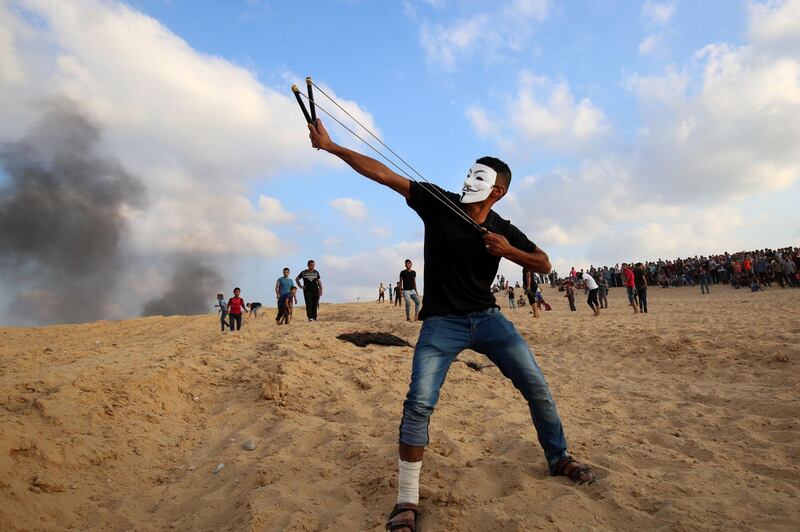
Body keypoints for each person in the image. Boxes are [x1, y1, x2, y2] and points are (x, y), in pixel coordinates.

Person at [308, 119, 594, 532]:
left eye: (480, 177)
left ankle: (559, 458)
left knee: (537, 387)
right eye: (468, 173)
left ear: (498, 191)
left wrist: (508, 250)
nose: (468, 180)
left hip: (489, 318)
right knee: (419, 402)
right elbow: (383, 174)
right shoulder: (438, 202)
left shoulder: (501, 227)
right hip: (441, 323)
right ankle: (407, 500)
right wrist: (333, 147)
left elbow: (545, 263)